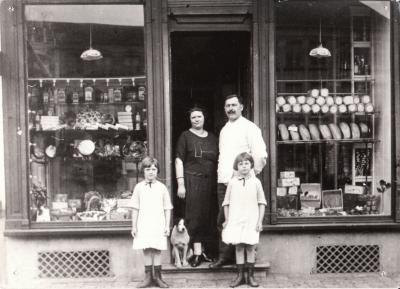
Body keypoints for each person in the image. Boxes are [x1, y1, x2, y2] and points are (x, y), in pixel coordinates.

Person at [210, 94, 268, 268]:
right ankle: (225, 256)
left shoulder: (250, 128)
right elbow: (224, 157)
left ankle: (244, 261)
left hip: (244, 184)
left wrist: (251, 174)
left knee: (245, 219)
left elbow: (260, 155)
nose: (231, 109)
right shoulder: (224, 129)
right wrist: (223, 177)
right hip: (225, 183)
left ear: (242, 107)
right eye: (227, 106)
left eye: (234, 105)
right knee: (224, 220)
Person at [175, 107, 218, 267]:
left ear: (204, 118)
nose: (197, 119)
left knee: (209, 217)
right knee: (195, 217)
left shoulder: (213, 138)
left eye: (199, 116)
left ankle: (206, 251)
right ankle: (197, 253)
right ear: (190, 120)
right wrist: (181, 184)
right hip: (192, 181)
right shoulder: (185, 136)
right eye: (193, 117)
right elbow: (179, 160)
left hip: (211, 182)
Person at [222, 152, 266, 287]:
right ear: (237, 166)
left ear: (251, 165)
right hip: (236, 219)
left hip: (251, 219)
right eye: (240, 164)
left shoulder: (256, 182)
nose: (244, 166)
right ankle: (240, 276)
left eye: (246, 163)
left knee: (250, 247)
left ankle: (250, 276)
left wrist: (259, 221)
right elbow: (226, 203)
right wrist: (227, 220)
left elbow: (261, 202)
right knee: (239, 247)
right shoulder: (232, 183)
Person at [130, 157, 173, 288]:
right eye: (148, 169)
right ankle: (148, 277)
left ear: (157, 171)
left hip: (158, 223)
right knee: (147, 249)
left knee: (157, 249)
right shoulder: (138, 188)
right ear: (143, 171)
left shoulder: (162, 188)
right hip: (144, 223)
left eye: (154, 169)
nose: (151, 172)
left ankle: (158, 277)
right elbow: (135, 208)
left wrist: (166, 225)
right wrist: (134, 226)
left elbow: (167, 208)